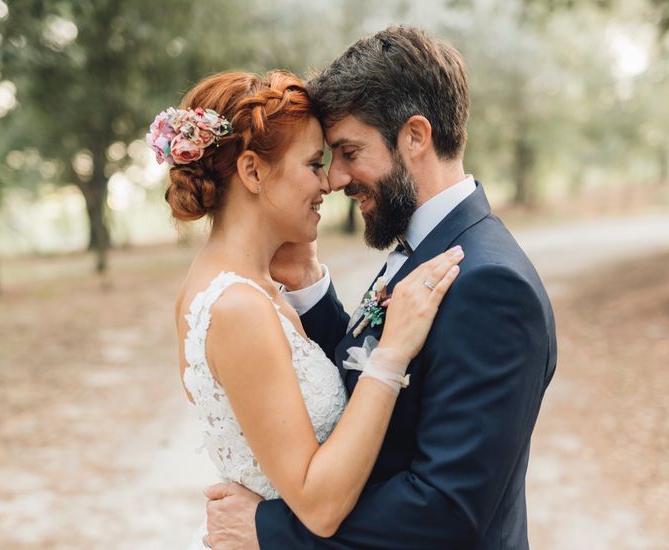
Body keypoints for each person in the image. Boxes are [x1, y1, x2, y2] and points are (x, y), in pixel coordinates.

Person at [203, 26, 558, 550]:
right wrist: (309, 288)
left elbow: (446, 509)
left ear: (415, 136)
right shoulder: (426, 242)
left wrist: (269, 530)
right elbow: (354, 387)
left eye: (349, 152)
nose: (335, 179)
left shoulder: (492, 287)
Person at [151, 70, 464, 550]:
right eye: (314, 163)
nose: (329, 182)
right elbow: (318, 505)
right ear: (253, 172)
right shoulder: (238, 307)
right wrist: (391, 352)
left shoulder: (247, 286)